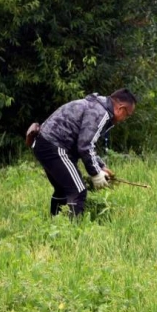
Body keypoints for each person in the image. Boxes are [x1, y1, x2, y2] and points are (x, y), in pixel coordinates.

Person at [29, 88, 137, 217]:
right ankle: (72, 232)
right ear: (121, 108)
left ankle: (54, 224)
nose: (125, 119)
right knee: (78, 191)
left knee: (62, 190)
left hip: (44, 144)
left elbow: (84, 143)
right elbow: (85, 146)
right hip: (54, 146)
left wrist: (101, 166)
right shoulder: (100, 113)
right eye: (127, 115)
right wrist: (96, 173)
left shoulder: (96, 107)